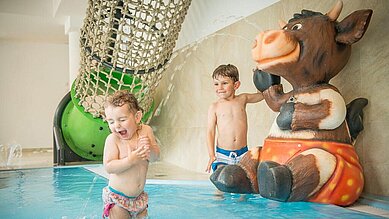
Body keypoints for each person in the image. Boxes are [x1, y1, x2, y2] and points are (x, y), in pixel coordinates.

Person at [102, 90, 160, 219]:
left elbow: (156, 157)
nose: (117, 126)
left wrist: (149, 149)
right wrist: (130, 160)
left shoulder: (146, 131)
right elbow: (109, 166)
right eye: (111, 122)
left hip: (139, 199)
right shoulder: (113, 140)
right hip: (118, 199)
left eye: (122, 119)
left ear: (137, 117)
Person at [206, 64, 264, 173]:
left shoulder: (242, 99)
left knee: (245, 182)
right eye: (216, 84)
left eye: (224, 83)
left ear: (236, 85)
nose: (220, 88)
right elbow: (210, 132)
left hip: (243, 154)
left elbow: (261, 96)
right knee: (223, 180)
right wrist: (211, 155)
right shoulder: (215, 107)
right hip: (223, 155)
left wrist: (258, 75)